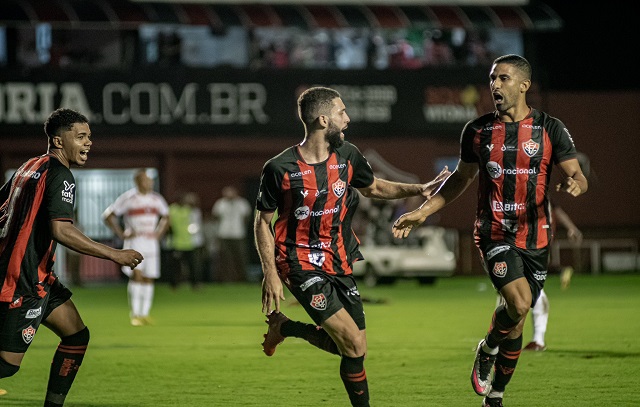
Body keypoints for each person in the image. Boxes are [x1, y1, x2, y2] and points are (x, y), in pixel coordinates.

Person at [391, 54, 588, 407]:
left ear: (524, 85)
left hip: (537, 237)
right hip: (494, 232)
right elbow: (460, 180)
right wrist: (422, 211)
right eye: (493, 78)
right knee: (520, 301)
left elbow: (578, 175)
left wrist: (576, 183)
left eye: (504, 78)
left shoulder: (550, 128)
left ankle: (495, 395)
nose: (495, 85)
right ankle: (488, 348)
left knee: (517, 319)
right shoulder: (478, 131)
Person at [254, 86, 450, 407]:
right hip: (299, 262)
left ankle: (286, 327)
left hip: (340, 259)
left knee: (353, 347)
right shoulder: (280, 168)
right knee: (353, 345)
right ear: (322, 120)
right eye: (342, 113)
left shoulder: (348, 155)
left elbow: (373, 187)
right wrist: (271, 273)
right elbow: (262, 221)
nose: (348, 119)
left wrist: (418, 188)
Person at [0, 108, 143, 405]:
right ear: (58, 140)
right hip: (23, 281)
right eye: (80, 136)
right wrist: (115, 254)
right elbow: (61, 231)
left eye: (89, 136)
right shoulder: (60, 174)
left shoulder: (28, 166)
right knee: (7, 366)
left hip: (39, 278)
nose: (88, 142)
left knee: (76, 335)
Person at [102, 169, 169, 326]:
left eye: (150, 180)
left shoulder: (156, 199)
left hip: (151, 243)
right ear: (138, 182)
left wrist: (159, 233)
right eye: (146, 180)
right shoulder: (129, 198)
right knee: (137, 276)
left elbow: (166, 216)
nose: (150, 183)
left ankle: (145, 314)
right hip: (135, 242)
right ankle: (135, 314)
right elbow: (108, 216)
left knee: (148, 277)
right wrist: (121, 234)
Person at [211, 185, 251, 282]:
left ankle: (242, 278)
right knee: (225, 259)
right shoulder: (220, 203)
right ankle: (227, 279)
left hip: (238, 234)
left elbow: (247, 217)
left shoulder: (242, 203)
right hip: (224, 234)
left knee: (241, 257)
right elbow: (215, 216)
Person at [168, 192, 205, 290]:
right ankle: (174, 284)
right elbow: (168, 224)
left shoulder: (191, 210)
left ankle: (195, 284)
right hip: (176, 242)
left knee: (193, 265)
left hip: (190, 243)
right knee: (176, 266)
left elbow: (196, 224)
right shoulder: (172, 210)